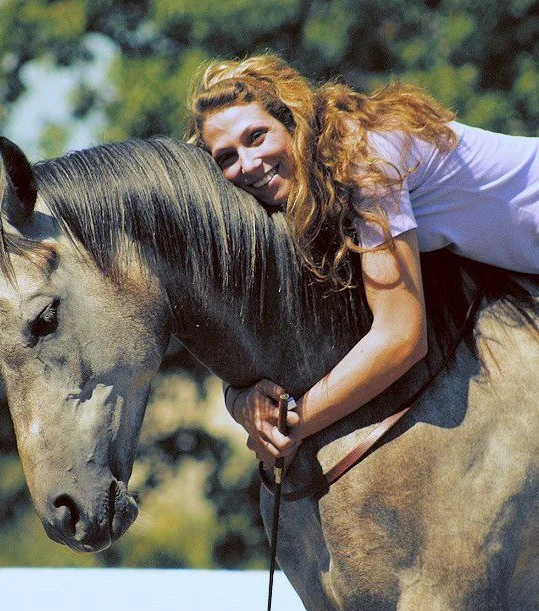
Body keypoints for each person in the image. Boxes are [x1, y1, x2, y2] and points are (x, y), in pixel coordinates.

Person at [185, 54, 539, 468]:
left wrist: (293, 425)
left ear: (293, 122)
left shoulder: (362, 160)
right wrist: (240, 399)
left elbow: (402, 337)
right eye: (226, 157)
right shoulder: (307, 189)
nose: (247, 164)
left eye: (256, 136)